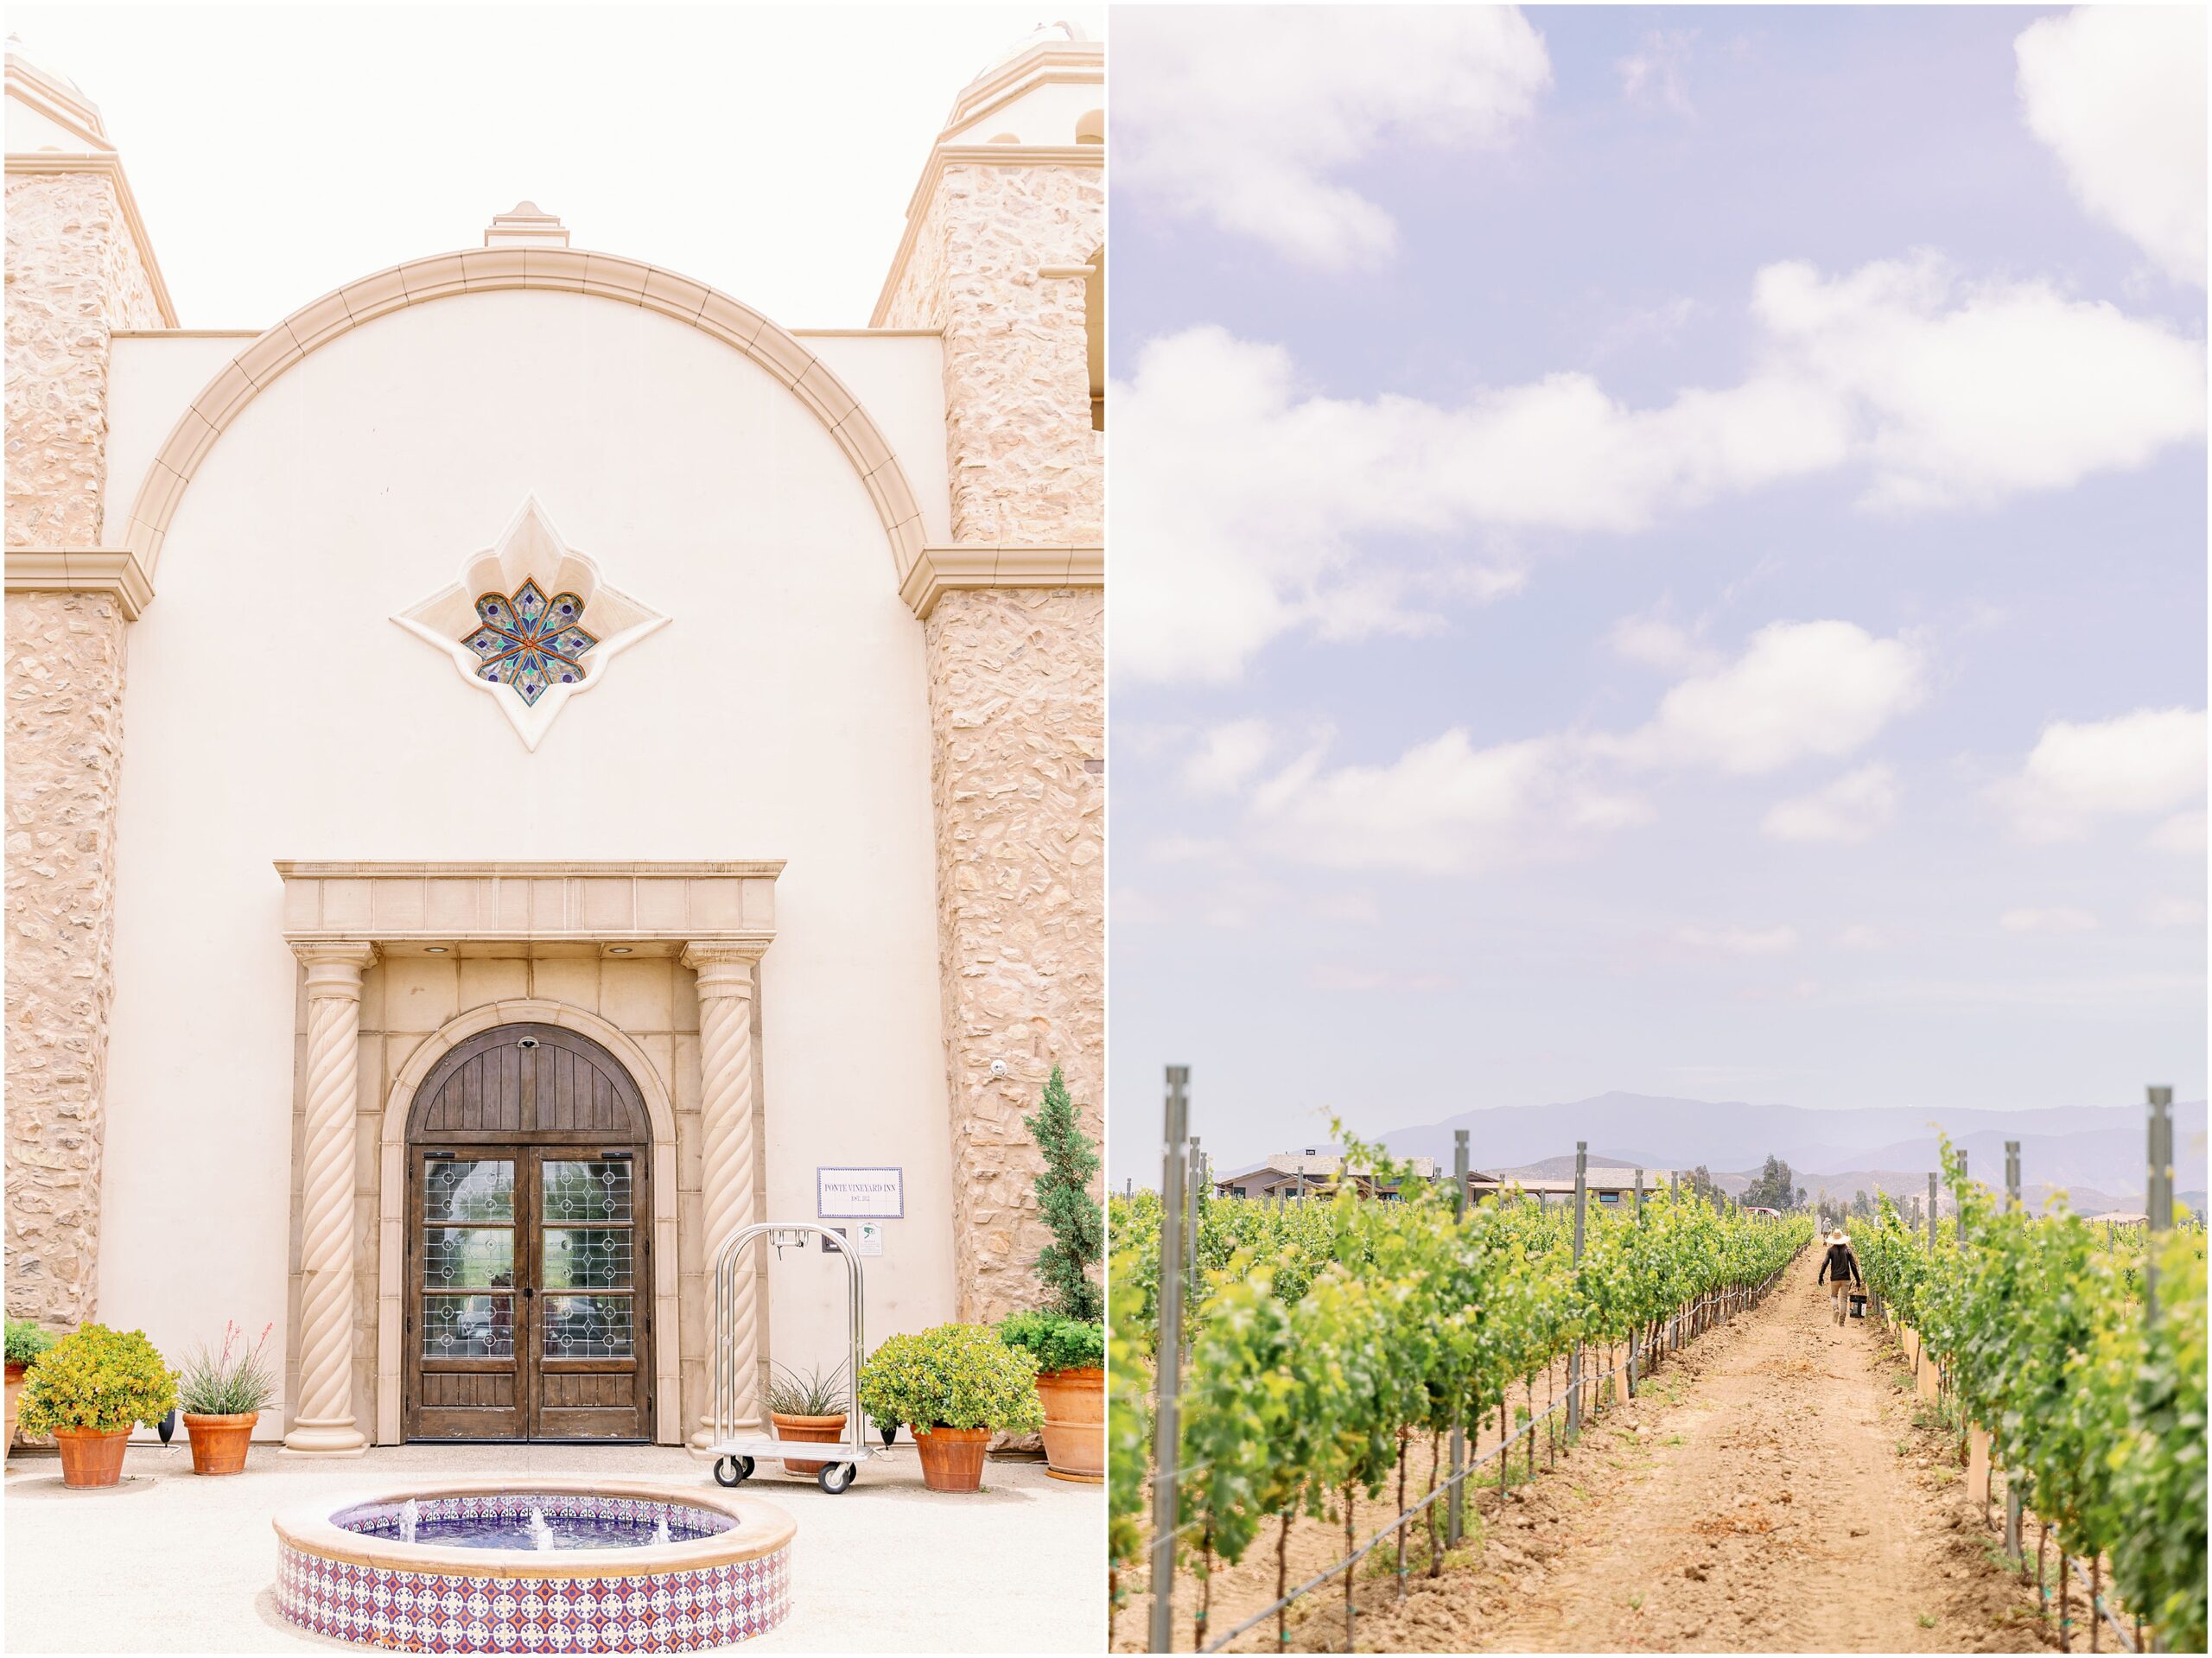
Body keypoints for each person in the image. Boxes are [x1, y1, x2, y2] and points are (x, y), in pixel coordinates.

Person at [1816, 1229, 1863, 1325]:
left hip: (1834, 1278)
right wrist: (1858, 1279)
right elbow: (1853, 1266)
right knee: (1844, 1299)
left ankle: (1835, 1309)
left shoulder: (1830, 1250)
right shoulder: (1848, 1250)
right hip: (1846, 1279)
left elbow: (1825, 1263)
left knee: (1834, 1296)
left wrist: (1821, 1275)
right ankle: (1841, 1322)